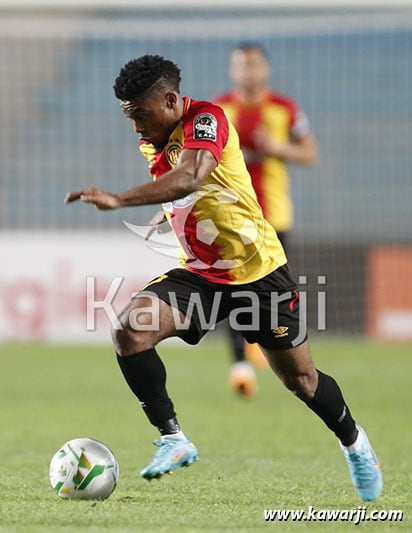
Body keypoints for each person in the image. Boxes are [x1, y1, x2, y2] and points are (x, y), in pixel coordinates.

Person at [65, 54, 382, 501]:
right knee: (129, 330)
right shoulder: (153, 139)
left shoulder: (206, 118)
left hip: (259, 275)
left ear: (170, 100)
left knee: (301, 381)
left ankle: (355, 443)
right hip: (201, 276)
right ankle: (173, 437)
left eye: (140, 114)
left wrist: (120, 199)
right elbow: (184, 188)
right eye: (129, 116)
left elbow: (192, 176)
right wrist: (167, 212)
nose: (135, 126)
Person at [213, 43, 318, 397]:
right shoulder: (218, 110)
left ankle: (264, 344)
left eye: (253, 64)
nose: (247, 71)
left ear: (265, 69)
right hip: (231, 215)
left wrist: (276, 148)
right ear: (232, 70)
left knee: (271, 293)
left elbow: (310, 152)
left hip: (274, 216)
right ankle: (240, 366)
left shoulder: (284, 108)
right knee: (232, 286)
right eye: (241, 65)